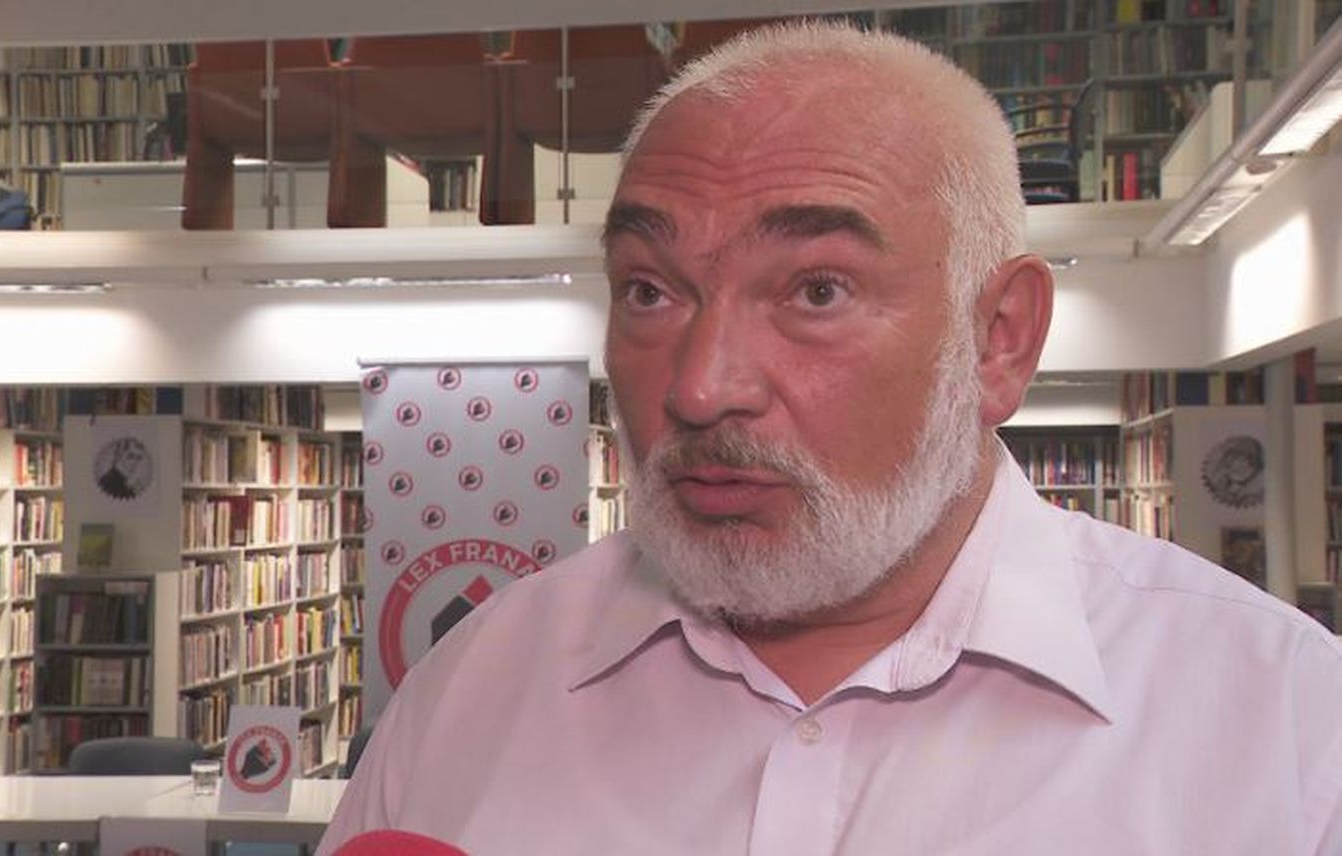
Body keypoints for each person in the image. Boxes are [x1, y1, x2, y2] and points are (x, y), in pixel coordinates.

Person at [320, 21, 1342, 854]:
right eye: (649, 290)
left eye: (817, 290)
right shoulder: (470, 695)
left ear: (1000, 339)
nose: (701, 387)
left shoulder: (1288, 730)